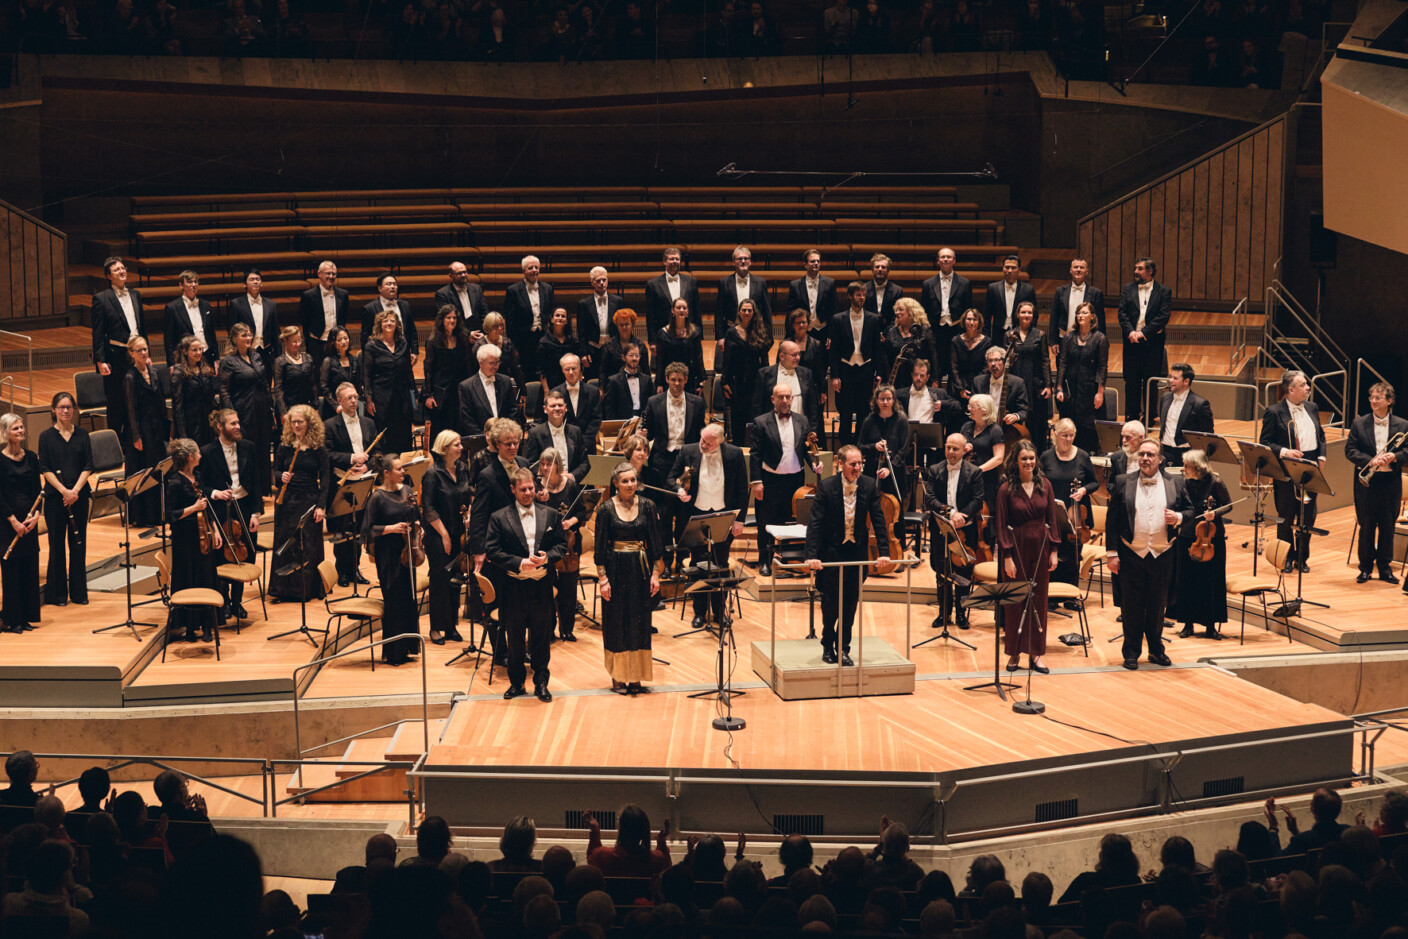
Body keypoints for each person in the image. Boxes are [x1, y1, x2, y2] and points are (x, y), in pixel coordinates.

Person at [1106, 438, 1192, 670]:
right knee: (1131, 605)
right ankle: (1131, 652)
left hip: (1162, 553)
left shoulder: (1176, 482)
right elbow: (1112, 520)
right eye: (1142, 454)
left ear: (1160, 459)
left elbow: (1191, 510)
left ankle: (1155, 650)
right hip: (1131, 552)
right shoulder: (1122, 481)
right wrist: (1111, 553)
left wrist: (1180, 517)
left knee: (1157, 604)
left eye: (1150, 455)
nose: (1145, 458)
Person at [806, 445, 893, 665]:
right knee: (830, 605)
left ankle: (844, 648)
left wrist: (884, 552)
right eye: (853, 464)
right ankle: (827, 644)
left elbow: (879, 521)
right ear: (840, 464)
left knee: (850, 605)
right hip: (831, 555)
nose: (857, 468)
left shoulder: (869, 485)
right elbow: (815, 524)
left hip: (856, 555)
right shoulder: (826, 487)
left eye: (860, 464)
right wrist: (811, 555)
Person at [488, 469, 566, 702]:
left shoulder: (550, 514)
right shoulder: (499, 517)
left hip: (541, 585)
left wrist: (547, 558)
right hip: (514, 587)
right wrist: (520, 562)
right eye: (523, 489)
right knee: (515, 638)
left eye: (531, 488)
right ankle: (516, 683)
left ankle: (541, 683)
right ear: (513, 489)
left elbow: (561, 545)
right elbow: (492, 550)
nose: (528, 493)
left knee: (541, 637)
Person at [594, 461, 664, 695]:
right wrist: (603, 579)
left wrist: (655, 574)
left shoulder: (647, 506)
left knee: (640, 621)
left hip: (641, 570)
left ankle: (636, 675)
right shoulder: (605, 509)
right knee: (616, 621)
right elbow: (599, 548)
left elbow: (656, 544)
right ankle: (618, 675)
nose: (630, 484)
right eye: (625, 480)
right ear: (615, 483)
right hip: (615, 569)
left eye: (633, 480)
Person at [670, 424, 748, 629]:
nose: (703, 445)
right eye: (702, 440)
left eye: (708, 443)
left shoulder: (735, 454)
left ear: (720, 442)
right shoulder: (687, 451)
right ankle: (699, 612)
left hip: (723, 515)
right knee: (698, 564)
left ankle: (719, 612)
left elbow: (742, 487)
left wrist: (739, 520)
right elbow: (671, 478)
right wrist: (679, 490)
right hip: (697, 514)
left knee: (720, 565)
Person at [995, 439, 1061, 673]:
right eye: (1024, 458)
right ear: (1016, 460)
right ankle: (1014, 654)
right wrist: (1007, 556)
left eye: (1032, 458)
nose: (1028, 462)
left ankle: (1036, 654)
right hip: (1017, 548)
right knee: (1015, 601)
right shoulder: (1005, 489)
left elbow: (1052, 520)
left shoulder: (1046, 485)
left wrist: (1054, 551)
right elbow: (1001, 524)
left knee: (1039, 601)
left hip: (1041, 548)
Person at [751, 383, 822, 578]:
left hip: (795, 480)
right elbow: (755, 454)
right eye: (780, 397)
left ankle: (788, 559)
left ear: (792, 399)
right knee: (766, 521)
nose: (784, 400)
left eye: (787, 397)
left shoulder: (802, 420)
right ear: (772, 399)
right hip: (770, 480)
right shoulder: (761, 422)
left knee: (791, 521)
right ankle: (764, 560)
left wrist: (813, 465)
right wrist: (757, 481)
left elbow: (806, 449)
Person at [1259, 369, 1327, 573]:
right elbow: (1265, 442)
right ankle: (1287, 556)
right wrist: (1285, 451)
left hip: (1310, 466)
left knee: (1307, 516)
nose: (1308, 388)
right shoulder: (1274, 411)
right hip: (1287, 468)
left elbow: (1321, 436)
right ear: (1291, 389)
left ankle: (1302, 557)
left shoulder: (1312, 407)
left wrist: (1322, 456)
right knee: (1286, 515)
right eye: (1304, 385)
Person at [201, 409, 263, 622]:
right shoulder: (207, 452)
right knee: (222, 557)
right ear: (220, 427)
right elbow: (200, 485)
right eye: (232, 424)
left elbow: (256, 481)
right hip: (221, 511)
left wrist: (256, 512)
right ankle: (225, 602)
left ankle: (237, 602)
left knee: (244, 555)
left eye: (238, 422)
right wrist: (215, 493)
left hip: (244, 508)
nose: (238, 426)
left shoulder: (248, 447)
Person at [361, 454, 422, 666]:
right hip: (388, 554)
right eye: (398, 469)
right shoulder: (377, 497)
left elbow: (415, 514)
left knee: (408, 598)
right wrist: (391, 529)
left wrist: (418, 528)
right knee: (394, 601)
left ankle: (408, 648)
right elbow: (367, 530)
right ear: (386, 473)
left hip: (408, 552)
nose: (403, 472)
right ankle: (394, 653)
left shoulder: (406, 491)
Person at [1345, 381, 1408, 584]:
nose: (1373, 400)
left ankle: (1385, 567)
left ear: (1389, 401)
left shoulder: (1403, 425)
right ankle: (1365, 568)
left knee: (1388, 525)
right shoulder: (1359, 423)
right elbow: (1350, 451)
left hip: (1390, 482)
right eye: (1371, 397)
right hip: (1367, 483)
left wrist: (1394, 456)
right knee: (1367, 525)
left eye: (1378, 397)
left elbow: (1407, 451)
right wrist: (1370, 460)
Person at [644, 364, 706, 569]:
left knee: (684, 512)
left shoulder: (697, 402)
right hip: (661, 461)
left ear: (686, 380)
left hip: (686, 463)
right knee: (664, 512)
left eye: (680, 380)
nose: (677, 384)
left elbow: (699, 434)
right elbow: (649, 433)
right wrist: (642, 436)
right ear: (667, 379)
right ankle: (666, 559)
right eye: (673, 380)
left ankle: (681, 559)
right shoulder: (654, 402)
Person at [269, 405, 330, 602]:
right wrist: (281, 476)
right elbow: (275, 472)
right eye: (293, 421)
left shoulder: (318, 447)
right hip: (286, 501)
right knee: (285, 544)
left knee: (309, 544)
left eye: (299, 421)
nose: (295, 425)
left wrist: (321, 506)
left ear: (309, 423)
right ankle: (283, 589)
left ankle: (308, 589)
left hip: (310, 500)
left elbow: (326, 477)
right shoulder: (284, 445)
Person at [165, 438, 223, 642]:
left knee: (205, 578)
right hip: (184, 540)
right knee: (188, 579)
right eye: (198, 452)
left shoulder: (196, 476)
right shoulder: (174, 482)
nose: (201, 455)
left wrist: (215, 530)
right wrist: (193, 509)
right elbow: (169, 515)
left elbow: (207, 507)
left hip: (203, 536)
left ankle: (207, 626)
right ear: (190, 457)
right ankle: (189, 627)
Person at [926, 432, 984, 631]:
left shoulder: (974, 472)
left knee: (964, 573)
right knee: (941, 572)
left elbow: (977, 500)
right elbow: (929, 499)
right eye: (948, 447)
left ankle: (961, 613)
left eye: (955, 449)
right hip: (941, 528)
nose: (950, 452)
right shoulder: (934, 470)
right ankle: (944, 614)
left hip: (965, 530)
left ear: (964, 450)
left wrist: (962, 516)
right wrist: (950, 513)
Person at [38, 393, 93, 607]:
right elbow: (45, 468)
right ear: (53, 410)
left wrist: (75, 491)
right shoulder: (46, 437)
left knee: (78, 546)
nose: (65, 411)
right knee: (57, 545)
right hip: (55, 498)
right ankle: (57, 594)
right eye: (61, 407)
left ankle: (79, 593)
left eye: (69, 407)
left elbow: (88, 465)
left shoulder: (83, 435)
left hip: (79, 497)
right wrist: (64, 491)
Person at [1171, 449, 1231, 639]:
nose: (1183, 469)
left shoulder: (1215, 481)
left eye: (1187, 466)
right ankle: (1187, 625)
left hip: (1212, 538)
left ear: (1198, 467)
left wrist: (1215, 514)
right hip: (1189, 535)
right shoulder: (1182, 482)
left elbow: (1228, 504)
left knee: (1211, 581)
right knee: (1188, 581)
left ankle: (1211, 626)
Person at [323, 385, 377, 588]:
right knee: (342, 530)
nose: (354, 401)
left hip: (363, 482)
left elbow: (377, 452)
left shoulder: (369, 423)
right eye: (349, 398)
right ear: (339, 401)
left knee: (359, 528)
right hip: (342, 483)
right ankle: (342, 571)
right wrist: (351, 458)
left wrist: (367, 467)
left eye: (355, 397)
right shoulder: (329, 425)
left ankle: (355, 569)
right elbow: (327, 455)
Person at [1040, 418, 1097, 600]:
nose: (1068, 439)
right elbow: (1039, 481)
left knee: (1073, 555)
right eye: (1064, 435)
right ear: (1055, 435)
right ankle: (1052, 597)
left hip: (1076, 515)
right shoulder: (1046, 457)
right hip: (1052, 512)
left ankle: (1071, 597)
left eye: (1072, 435)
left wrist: (1083, 490)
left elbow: (1094, 482)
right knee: (1051, 553)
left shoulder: (1082, 456)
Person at [422, 430, 470, 646]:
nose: (461, 448)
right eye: (456, 444)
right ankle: (435, 628)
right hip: (437, 534)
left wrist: (468, 514)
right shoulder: (433, 473)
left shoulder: (462, 468)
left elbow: (467, 496)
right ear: (444, 449)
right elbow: (428, 508)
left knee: (455, 580)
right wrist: (444, 535)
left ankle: (451, 626)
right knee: (440, 579)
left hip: (459, 532)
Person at [91, 257, 145, 444]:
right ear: (108, 276)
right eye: (116, 270)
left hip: (137, 354)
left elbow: (141, 327)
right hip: (116, 356)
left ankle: (135, 439)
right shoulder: (101, 298)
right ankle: (116, 444)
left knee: (139, 397)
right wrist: (100, 360)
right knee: (117, 401)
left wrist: (147, 354)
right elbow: (97, 332)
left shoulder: (136, 295)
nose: (122, 271)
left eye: (123, 268)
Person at [534, 446, 585, 642]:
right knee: (548, 588)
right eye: (543, 464)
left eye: (550, 464)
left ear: (558, 466)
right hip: (546, 543)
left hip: (569, 542)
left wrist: (569, 522)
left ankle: (567, 629)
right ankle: (549, 629)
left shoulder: (570, 486)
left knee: (568, 589)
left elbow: (581, 512)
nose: (546, 468)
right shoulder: (538, 487)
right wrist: (539, 501)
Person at [220, 322, 274, 496]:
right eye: (244, 335)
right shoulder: (228, 361)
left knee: (262, 449)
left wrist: (270, 407)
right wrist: (231, 416)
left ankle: (262, 489)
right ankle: (247, 490)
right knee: (246, 450)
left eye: (250, 335)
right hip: (243, 412)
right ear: (234, 339)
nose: (248, 338)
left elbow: (265, 382)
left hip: (261, 410)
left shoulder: (256, 355)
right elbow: (224, 390)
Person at [828, 282, 885, 446]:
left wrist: (879, 372)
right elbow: (834, 351)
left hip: (866, 368)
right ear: (850, 296)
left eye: (863, 295)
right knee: (845, 411)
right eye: (858, 295)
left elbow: (877, 349)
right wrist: (834, 375)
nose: (862, 298)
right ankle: (845, 447)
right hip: (845, 368)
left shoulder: (874, 319)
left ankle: (861, 446)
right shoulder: (838, 319)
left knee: (864, 410)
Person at [1117, 257, 1172, 423]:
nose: (1135, 272)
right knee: (1131, 379)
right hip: (1131, 341)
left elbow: (1163, 316)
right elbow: (1122, 313)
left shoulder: (1164, 291)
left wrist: (1144, 332)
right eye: (1135, 268)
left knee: (1150, 380)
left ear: (1150, 271)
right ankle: (1132, 416)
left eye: (1139, 269)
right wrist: (1131, 332)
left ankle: (1149, 416)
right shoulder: (1128, 288)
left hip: (1152, 342)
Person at [0, 414, 42, 633]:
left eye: (21, 427)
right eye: (15, 428)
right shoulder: (0, 459)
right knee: (11, 570)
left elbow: (37, 489)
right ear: (6, 432)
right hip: (8, 521)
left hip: (29, 519)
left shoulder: (32, 457)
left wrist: (36, 516)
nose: (20, 431)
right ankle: (11, 619)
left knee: (28, 568)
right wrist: (13, 521)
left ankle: (25, 617)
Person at [123, 335, 170, 527]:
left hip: (156, 428)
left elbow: (161, 402)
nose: (144, 352)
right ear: (132, 353)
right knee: (143, 471)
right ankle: (141, 516)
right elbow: (130, 408)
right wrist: (136, 436)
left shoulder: (155, 371)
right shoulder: (130, 377)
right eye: (139, 350)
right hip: (140, 431)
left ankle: (157, 513)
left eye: (145, 349)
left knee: (157, 470)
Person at [1055, 302, 1109, 454]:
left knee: (1087, 430)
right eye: (1079, 312)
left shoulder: (1100, 338)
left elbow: (1102, 367)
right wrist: (1059, 388)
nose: (1080, 315)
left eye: (1084, 313)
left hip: (1089, 390)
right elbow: (1063, 363)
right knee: (1069, 426)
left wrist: (1100, 392)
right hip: (1070, 390)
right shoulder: (1068, 337)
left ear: (1092, 316)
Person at [363, 309, 415, 454]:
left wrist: (413, 397)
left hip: (402, 397)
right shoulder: (372, 345)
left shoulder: (403, 343)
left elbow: (408, 371)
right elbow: (366, 374)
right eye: (385, 320)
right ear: (380, 324)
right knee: (384, 435)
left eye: (392, 320)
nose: (389, 323)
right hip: (381, 399)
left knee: (403, 433)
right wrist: (368, 399)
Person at [720, 298, 770, 444]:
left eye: (750, 310)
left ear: (754, 313)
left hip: (756, 383)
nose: (747, 313)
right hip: (737, 383)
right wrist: (725, 382)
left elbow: (765, 362)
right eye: (744, 310)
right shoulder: (731, 332)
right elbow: (727, 361)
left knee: (755, 419)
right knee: (738, 421)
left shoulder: (760, 331)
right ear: (739, 312)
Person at [1004, 301, 1051, 449]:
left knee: (1036, 422)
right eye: (1023, 312)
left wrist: (1048, 385)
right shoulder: (1009, 334)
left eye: (1029, 312)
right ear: (1017, 314)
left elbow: (1045, 360)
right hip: (1015, 383)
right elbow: (1005, 361)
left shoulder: (1040, 334)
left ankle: (1037, 455)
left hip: (1034, 384)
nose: (1026, 315)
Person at [920, 248, 974, 376]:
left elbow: (968, 309)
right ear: (938, 261)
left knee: (955, 366)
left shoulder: (965, 283)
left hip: (957, 330)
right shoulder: (927, 284)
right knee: (935, 366)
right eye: (943, 257)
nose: (945, 259)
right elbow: (923, 310)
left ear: (954, 261)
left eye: (949, 257)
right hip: (934, 330)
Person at [423, 305, 473, 440]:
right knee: (441, 426)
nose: (452, 321)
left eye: (454, 318)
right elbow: (428, 368)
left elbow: (468, 365)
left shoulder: (462, 338)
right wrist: (429, 394)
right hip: (441, 389)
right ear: (442, 320)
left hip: (459, 388)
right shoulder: (433, 341)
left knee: (459, 422)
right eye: (448, 318)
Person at [857, 384, 912, 507]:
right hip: (873, 470)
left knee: (895, 510)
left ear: (894, 400)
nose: (885, 402)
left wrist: (889, 468)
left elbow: (903, 450)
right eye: (882, 399)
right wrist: (874, 446)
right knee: (870, 508)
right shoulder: (869, 421)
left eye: (888, 398)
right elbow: (860, 446)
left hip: (894, 472)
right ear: (876, 400)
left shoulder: (901, 420)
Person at [961, 393, 1005, 540]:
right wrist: (963, 448)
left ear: (984, 411)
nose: (969, 409)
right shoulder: (966, 427)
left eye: (973, 406)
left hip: (987, 481)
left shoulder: (995, 431)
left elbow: (998, 458)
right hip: (966, 480)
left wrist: (978, 470)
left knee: (985, 519)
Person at [756, 338, 822, 436]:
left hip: (800, 430)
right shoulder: (765, 374)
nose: (798, 358)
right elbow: (757, 406)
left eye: (799, 354)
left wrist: (813, 430)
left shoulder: (806, 373)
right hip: (773, 431)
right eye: (794, 355)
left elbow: (813, 407)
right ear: (782, 356)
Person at [522, 391, 590, 485]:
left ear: (565, 408)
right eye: (553, 406)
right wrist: (551, 477)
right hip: (547, 485)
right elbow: (531, 464)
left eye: (560, 405)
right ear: (545, 409)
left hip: (571, 485)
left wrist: (572, 476)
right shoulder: (535, 434)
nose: (557, 408)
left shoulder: (575, 431)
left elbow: (585, 463)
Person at [585, 805, 671, 877]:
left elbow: (592, 858)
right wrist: (661, 841)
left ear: (621, 830)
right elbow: (666, 867)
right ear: (644, 831)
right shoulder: (656, 860)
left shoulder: (602, 856)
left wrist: (594, 830)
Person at [1157, 363, 1214, 468]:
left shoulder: (1200, 404)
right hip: (1165, 452)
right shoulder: (1165, 397)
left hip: (1186, 454)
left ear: (1186, 381)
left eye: (1175, 378)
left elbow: (1208, 436)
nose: (1170, 380)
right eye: (1170, 377)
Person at [504, 254, 553, 378]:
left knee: (545, 370)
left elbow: (549, 313)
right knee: (527, 372)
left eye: (536, 267)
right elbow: (510, 321)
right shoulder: (513, 290)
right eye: (530, 268)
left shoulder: (547, 288)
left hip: (543, 337)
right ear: (523, 270)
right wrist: (513, 346)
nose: (534, 270)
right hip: (524, 340)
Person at [458, 343, 520, 436]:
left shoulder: (505, 381)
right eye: (492, 363)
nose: (495, 367)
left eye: (498, 363)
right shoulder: (466, 386)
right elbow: (467, 418)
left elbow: (513, 409)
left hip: (504, 436)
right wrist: (483, 437)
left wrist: (508, 431)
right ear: (480, 363)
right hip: (481, 438)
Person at [576, 267, 627, 378]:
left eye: (604, 280)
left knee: (613, 379)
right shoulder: (583, 304)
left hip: (613, 348)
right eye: (598, 281)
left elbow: (622, 327)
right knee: (593, 379)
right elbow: (581, 331)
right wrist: (583, 353)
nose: (602, 283)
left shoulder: (618, 301)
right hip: (593, 349)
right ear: (592, 283)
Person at [299, 260, 349, 372]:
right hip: (317, 342)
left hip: (336, 342)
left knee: (336, 372)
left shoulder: (343, 294)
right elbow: (305, 321)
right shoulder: (308, 295)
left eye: (333, 274)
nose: (331, 276)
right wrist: (310, 343)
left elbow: (343, 319)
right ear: (319, 274)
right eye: (328, 273)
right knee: (317, 373)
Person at [227, 268, 281, 372]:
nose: (255, 282)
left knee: (267, 385)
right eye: (251, 279)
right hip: (245, 353)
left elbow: (275, 331)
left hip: (266, 352)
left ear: (261, 283)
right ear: (244, 284)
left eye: (258, 279)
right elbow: (232, 331)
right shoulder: (236, 304)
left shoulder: (271, 304)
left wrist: (278, 356)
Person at [644, 246, 703, 340]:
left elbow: (697, 312)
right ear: (664, 261)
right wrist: (652, 341)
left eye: (677, 259)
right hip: (663, 336)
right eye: (671, 259)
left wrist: (699, 336)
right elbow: (650, 316)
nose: (675, 261)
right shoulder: (653, 285)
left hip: (688, 335)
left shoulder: (691, 282)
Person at [715, 245, 771, 343]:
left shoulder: (760, 282)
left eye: (746, 258)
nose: (743, 261)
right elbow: (719, 312)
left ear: (750, 262)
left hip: (755, 332)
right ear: (733, 262)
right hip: (731, 332)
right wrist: (720, 337)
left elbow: (767, 311)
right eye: (740, 259)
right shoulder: (724, 282)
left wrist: (769, 335)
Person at [171, 336, 219, 447]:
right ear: (185, 351)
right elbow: (178, 406)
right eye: (194, 350)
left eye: (200, 349)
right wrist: (183, 433)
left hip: (206, 422)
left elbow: (211, 399)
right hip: (190, 423)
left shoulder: (205, 370)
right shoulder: (179, 373)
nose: (198, 352)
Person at [162, 269, 217, 369]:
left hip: (206, 355)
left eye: (195, 282)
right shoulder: (172, 308)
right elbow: (168, 340)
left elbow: (212, 334)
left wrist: (216, 358)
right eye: (189, 282)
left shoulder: (206, 305)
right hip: (185, 358)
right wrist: (171, 364)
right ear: (181, 285)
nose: (193, 285)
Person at [359, 272, 418, 363]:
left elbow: (412, 330)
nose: (393, 286)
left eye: (394, 284)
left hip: (403, 352)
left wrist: (414, 351)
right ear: (380, 288)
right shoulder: (369, 309)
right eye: (388, 284)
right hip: (380, 355)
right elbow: (365, 336)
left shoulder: (405, 305)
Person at [654, 298, 706, 395]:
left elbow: (698, 357)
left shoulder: (695, 332)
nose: (681, 310)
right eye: (678, 308)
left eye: (684, 308)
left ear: (687, 312)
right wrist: (659, 383)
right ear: (673, 311)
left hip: (689, 378)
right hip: (670, 379)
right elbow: (660, 360)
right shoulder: (663, 333)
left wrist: (701, 379)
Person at [1048, 256, 1106, 344]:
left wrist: (1101, 342)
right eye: (1075, 267)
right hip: (1063, 339)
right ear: (1071, 270)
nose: (1078, 270)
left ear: (1086, 271)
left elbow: (1100, 320)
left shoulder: (1096, 293)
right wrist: (1053, 342)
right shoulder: (1060, 291)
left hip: (1088, 341)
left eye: (1082, 267)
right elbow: (1054, 317)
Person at [883, 298, 938, 388]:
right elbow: (886, 357)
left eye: (901, 309)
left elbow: (933, 355)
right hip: (898, 380)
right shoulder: (892, 331)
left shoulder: (923, 330)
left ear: (911, 312)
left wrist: (935, 378)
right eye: (896, 310)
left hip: (919, 378)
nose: (897, 312)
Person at [972, 346, 1028, 431]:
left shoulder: (1018, 383)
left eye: (997, 360)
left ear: (1004, 361)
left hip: (1008, 429)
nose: (993, 364)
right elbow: (972, 408)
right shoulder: (978, 382)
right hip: (984, 428)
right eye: (990, 360)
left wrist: (1015, 416)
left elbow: (1024, 411)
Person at [554, 353, 602, 443]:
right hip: (563, 443)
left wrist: (584, 442)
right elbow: (554, 420)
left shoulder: (593, 391)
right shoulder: (555, 393)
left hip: (588, 444)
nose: (571, 372)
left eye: (574, 368)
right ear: (562, 370)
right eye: (567, 369)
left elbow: (596, 419)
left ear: (580, 367)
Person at [984, 255, 1037, 336]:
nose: (1009, 271)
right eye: (1007, 267)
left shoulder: (1028, 290)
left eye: (1013, 268)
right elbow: (987, 315)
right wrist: (986, 336)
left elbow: (1034, 314)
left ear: (1019, 269)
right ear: (1003, 269)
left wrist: (1029, 334)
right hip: (998, 332)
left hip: (1021, 332)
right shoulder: (993, 288)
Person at [272, 325, 317, 418]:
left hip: (306, 407)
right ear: (285, 341)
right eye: (294, 341)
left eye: (299, 340)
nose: (297, 344)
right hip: (289, 409)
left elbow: (313, 385)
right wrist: (283, 412)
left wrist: (315, 406)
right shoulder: (280, 362)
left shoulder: (308, 358)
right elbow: (278, 389)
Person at [318, 326, 362, 420]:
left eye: (346, 338)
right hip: (334, 409)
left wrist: (354, 401)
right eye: (339, 339)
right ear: (333, 343)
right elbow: (324, 387)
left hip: (351, 406)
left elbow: (358, 384)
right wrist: (336, 405)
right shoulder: (328, 361)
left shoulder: (354, 360)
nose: (343, 342)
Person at [433, 260, 485, 338]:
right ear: (451, 276)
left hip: (479, 334)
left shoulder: (477, 289)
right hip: (456, 336)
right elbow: (446, 320)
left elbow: (484, 312)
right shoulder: (442, 294)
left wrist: (483, 332)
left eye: (465, 272)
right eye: (459, 273)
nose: (463, 275)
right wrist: (468, 334)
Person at [948, 308, 991, 402]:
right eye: (969, 319)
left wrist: (976, 386)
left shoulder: (987, 342)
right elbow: (954, 367)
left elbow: (986, 367)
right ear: (964, 321)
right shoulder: (955, 341)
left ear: (979, 322)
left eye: (975, 319)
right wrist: (961, 388)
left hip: (979, 386)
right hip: (958, 386)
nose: (971, 322)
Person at [787, 248, 838, 327]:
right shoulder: (795, 285)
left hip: (824, 329)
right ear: (805, 264)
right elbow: (791, 312)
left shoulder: (830, 283)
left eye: (818, 261)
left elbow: (834, 310)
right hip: (803, 329)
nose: (816, 263)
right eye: (812, 261)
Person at [535, 306, 579, 397]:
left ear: (567, 321)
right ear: (552, 319)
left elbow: (578, 366)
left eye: (563, 316)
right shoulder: (544, 342)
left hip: (569, 384)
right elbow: (541, 370)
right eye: (557, 315)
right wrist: (546, 390)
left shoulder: (573, 341)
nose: (560, 318)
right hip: (550, 385)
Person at [601, 341, 650, 421]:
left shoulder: (647, 380)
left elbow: (649, 406)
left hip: (643, 422)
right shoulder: (613, 381)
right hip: (622, 422)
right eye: (631, 355)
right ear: (623, 357)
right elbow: (609, 409)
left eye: (637, 355)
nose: (634, 358)